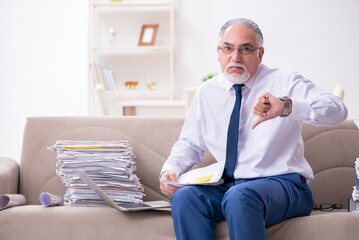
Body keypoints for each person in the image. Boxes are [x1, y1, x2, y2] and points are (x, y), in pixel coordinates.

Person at [159, 18, 348, 240]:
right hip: (229, 188)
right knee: (185, 198)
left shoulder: (284, 82)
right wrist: (171, 169)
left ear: (260, 54)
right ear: (218, 52)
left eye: (245, 49)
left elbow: (338, 110)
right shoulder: (207, 93)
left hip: (284, 185)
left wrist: (286, 106)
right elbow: (189, 144)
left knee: (240, 196)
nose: (235, 57)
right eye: (228, 48)